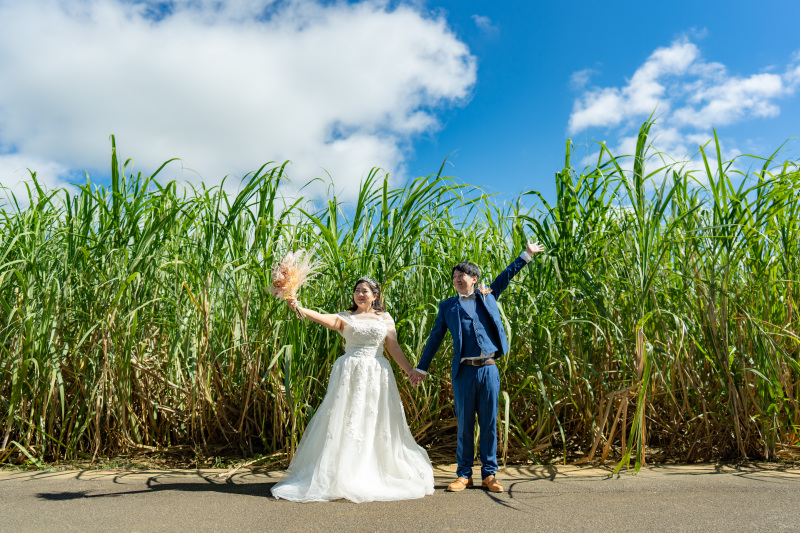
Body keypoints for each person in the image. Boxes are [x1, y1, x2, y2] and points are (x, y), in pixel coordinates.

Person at [271, 277, 435, 503]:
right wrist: (298, 307)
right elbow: (323, 319)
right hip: (350, 371)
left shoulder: (385, 318)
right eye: (357, 290)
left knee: (376, 419)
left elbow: (393, 347)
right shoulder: (345, 318)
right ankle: (342, 473)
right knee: (348, 418)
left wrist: (409, 371)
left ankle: (377, 468)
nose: (360, 294)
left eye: (365, 291)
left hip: (377, 372)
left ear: (375, 296)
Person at [408, 241, 545, 493]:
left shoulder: (487, 295)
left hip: (489, 369)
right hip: (463, 372)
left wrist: (526, 255)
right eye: (455, 276)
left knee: (489, 422)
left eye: (463, 276)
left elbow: (506, 276)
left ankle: (489, 474)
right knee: (465, 424)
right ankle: (464, 474)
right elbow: (435, 337)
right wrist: (422, 368)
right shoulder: (447, 306)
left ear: (475, 279)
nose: (458, 279)